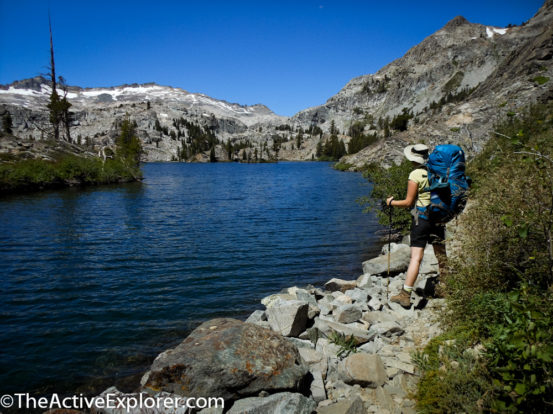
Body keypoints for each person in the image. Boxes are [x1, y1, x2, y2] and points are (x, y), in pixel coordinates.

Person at [386, 144, 447, 308]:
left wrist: (391, 202)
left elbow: (408, 202)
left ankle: (405, 295)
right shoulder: (436, 171)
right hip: (439, 217)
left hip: (422, 219)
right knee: (440, 253)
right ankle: (447, 287)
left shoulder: (415, 174)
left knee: (416, 257)